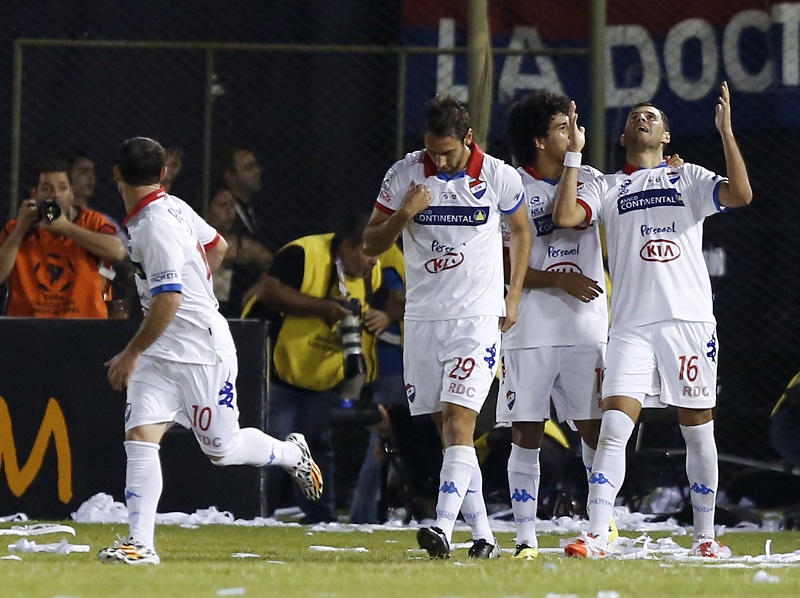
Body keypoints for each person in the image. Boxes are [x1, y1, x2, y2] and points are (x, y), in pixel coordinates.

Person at [98, 137, 323, 566]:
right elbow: (218, 245)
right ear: (163, 174)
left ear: (116, 174)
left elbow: (169, 298)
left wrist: (130, 353)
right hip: (160, 351)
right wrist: (196, 286)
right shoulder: (173, 207)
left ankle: (291, 453)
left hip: (200, 350)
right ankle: (140, 544)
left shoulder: (156, 225)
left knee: (222, 449)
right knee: (140, 437)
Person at [553, 81, 752, 559]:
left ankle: (705, 537)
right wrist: (575, 155)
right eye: (634, 117)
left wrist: (726, 134)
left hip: (688, 322)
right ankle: (596, 534)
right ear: (624, 137)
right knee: (614, 426)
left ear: (665, 137)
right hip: (630, 326)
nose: (642, 119)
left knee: (697, 430)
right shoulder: (606, 185)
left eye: (652, 117)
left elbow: (741, 195)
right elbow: (565, 216)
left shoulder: (689, 177)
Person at [363, 95, 532, 559]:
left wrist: (513, 295)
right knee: (451, 433)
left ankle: (441, 527)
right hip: (422, 319)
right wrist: (404, 213)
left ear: (468, 138)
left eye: (447, 152)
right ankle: (485, 537)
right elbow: (370, 242)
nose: (438, 161)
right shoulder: (404, 174)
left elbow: (521, 231)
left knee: (460, 420)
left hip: (476, 318)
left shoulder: (497, 175)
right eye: (431, 151)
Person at [497, 91, 608, 560]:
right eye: (564, 128)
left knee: (596, 430)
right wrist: (559, 280)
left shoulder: (591, 179)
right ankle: (526, 538)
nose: (575, 135)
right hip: (529, 331)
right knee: (526, 432)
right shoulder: (510, 187)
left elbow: (571, 215)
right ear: (540, 141)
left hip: (584, 330)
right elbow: (505, 266)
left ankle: (601, 525)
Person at [254, 212, 387, 524]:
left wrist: (380, 317)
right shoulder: (302, 253)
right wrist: (322, 307)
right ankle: (256, 515)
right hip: (278, 372)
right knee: (273, 445)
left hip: (322, 378)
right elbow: (268, 292)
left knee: (317, 447)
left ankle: (320, 518)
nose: (374, 261)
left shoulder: (372, 272)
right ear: (348, 246)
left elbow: (376, 306)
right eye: (369, 252)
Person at [0, 158, 125, 318]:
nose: (55, 195)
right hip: (29, 326)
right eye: (46, 189)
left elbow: (117, 251)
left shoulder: (93, 221)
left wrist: (65, 228)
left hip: (84, 325)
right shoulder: (16, 227)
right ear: (34, 194)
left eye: (62, 188)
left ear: (71, 193)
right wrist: (20, 230)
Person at [349, 242, 407, 524]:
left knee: (389, 443)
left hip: (394, 362)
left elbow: (400, 298)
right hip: (391, 363)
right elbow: (399, 298)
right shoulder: (389, 254)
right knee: (384, 442)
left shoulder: (391, 254)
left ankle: (370, 513)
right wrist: (387, 314)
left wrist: (388, 314)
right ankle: (365, 515)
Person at [205, 186, 273, 317]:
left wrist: (257, 289)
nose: (230, 211)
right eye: (223, 205)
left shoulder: (244, 246)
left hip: (233, 312)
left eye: (232, 205)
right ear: (207, 210)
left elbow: (275, 267)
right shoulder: (192, 242)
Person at [218, 146, 265, 244]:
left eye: (255, 165)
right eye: (249, 168)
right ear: (231, 176)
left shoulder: (258, 209)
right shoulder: (222, 211)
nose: (257, 171)